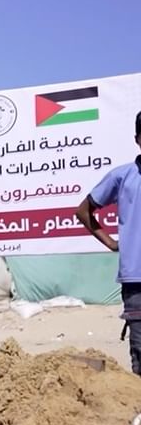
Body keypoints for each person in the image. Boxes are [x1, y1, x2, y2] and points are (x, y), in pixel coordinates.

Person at [76, 111, 141, 376]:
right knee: (140, 351)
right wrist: (112, 243)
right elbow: (84, 211)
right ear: (137, 139)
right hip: (136, 278)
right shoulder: (122, 177)